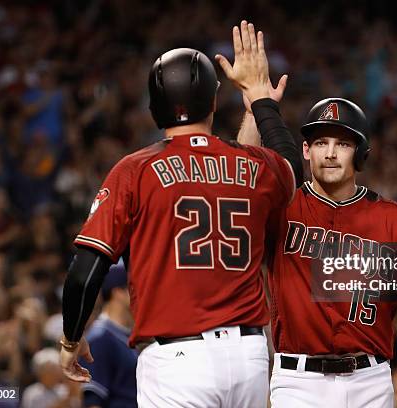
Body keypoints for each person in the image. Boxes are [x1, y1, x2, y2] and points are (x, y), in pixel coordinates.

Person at [59, 20, 302, 408]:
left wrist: (71, 336)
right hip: (249, 358)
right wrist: (260, 99)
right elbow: (291, 166)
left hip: (177, 359)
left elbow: (86, 270)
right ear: (212, 101)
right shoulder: (251, 165)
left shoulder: (134, 170)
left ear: (154, 105)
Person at [238, 97, 397, 407]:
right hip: (298, 381)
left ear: (360, 154)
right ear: (306, 151)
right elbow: (246, 179)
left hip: (370, 382)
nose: (331, 153)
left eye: (343, 144)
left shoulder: (390, 217)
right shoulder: (283, 206)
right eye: (321, 142)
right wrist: (255, 103)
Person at [79, 262, 138, 408]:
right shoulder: (99, 338)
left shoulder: (129, 332)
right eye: (135, 287)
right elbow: (93, 402)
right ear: (118, 292)